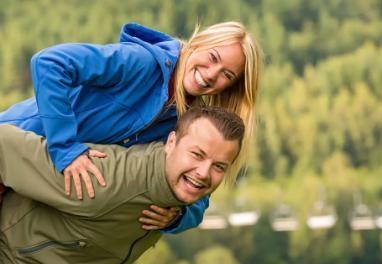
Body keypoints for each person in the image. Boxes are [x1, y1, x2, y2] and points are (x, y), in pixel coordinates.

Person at [0, 21, 262, 233]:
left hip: (34, 188)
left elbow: (201, 186)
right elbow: (49, 63)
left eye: (227, 75)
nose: (211, 74)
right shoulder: (141, 62)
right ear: (197, 44)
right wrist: (66, 148)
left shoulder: (189, 119)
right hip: (11, 152)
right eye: (212, 57)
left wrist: (179, 215)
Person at [0, 107, 245, 264]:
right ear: (171, 142)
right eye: (196, 154)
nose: (203, 173)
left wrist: (179, 217)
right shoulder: (105, 180)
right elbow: (3, 141)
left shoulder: (173, 197)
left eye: (218, 166)